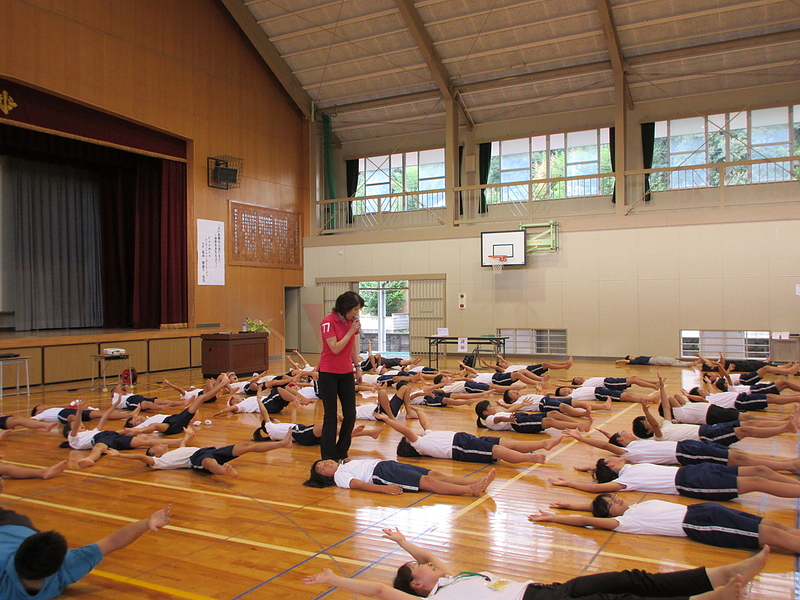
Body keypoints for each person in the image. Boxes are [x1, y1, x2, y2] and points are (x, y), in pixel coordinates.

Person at [302, 526, 768, 600]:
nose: (429, 565)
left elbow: (428, 556)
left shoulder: (453, 577)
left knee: (632, 578)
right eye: (419, 571)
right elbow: (383, 591)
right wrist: (337, 580)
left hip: (547, 590)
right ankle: (713, 597)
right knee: (621, 597)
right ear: (418, 587)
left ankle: (718, 575)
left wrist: (404, 541)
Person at [0, 491, 170, 600]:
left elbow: (113, 541)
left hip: (11, 526)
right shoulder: (67, 565)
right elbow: (112, 542)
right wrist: (146, 523)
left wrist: (147, 522)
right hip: (18, 526)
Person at [529, 495, 800, 552]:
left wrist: (565, 502)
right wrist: (555, 518)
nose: (617, 498)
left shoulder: (635, 507)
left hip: (704, 509)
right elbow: (588, 519)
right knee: (772, 537)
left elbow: (589, 506)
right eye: (612, 501)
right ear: (610, 514)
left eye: (613, 496)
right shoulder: (625, 522)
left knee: (774, 527)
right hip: (699, 523)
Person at [549, 455, 800, 501]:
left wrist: (587, 468)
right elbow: (597, 489)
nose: (612, 458)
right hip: (693, 483)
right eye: (608, 461)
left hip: (697, 471)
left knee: (760, 471)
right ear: (612, 467)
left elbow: (599, 471)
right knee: (758, 483)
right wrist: (570, 482)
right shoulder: (626, 481)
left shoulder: (632, 467)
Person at [564, 428, 800, 473]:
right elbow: (606, 446)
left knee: (739, 457)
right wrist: (581, 439)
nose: (628, 433)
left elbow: (607, 440)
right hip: (685, 453)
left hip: (689, 447)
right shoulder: (631, 453)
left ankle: (787, 464)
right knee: (737, 460)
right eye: (623, 434)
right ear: (622, 442)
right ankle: (788, 466)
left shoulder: (635, 445)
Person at [379, 405, 559, 464]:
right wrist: (388, 420)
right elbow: (406, 430)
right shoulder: (420, 445)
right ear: (410, 444)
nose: (414, 434)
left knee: (505, 442)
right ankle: (530, 459)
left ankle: (542, 444)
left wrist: (418, 410)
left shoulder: (427, 436)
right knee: (496, 450)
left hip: (465, 439)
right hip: (460, 448)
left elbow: (425, 423)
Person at [105, 425, 291, 477]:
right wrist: (119, 454)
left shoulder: (172, 453)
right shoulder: (159, 462)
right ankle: (223, 470)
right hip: (197, 459)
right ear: (155, 454)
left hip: (206, 450)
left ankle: (282, 444)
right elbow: (140, 457)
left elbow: (184, 444)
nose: (160, 444)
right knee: (209, 464)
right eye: (156, 446)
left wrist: (187, 435)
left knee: (245, 446)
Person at [317, 290, 364, 461]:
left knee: (350, 414)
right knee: (330, 415)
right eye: (354, 309)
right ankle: (329, 455)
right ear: (345, 307)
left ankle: (342, 451)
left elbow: (351, 346)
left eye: (358, 310)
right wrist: (351, 331)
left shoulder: (351, 323)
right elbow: (335, 347)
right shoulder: (328, 322)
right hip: (329, 372)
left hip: (346, 372)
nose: (356, 313)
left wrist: (357, 366)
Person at [64, 399, 181, 468]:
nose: (81, 426)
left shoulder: (90, 431)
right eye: (78, 426)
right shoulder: (74, 439)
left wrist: (117, 402)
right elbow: (75, 426)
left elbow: (104, 417)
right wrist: (79, 411)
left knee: (145, 441)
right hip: (100, 439)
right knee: (98, 448)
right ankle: (90, 459)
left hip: (110, 435)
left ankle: (178, 441)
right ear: (69, 432)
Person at [303, 458, 496, 496]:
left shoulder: (344, 464)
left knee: (434, 474)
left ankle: (475, 482)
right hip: (382, 474)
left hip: (387, 465)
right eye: (321, 469)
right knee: (428, 482)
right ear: (325, 478)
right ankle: (469, 490)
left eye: (323, 462)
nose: (325, 464)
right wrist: (383, 489)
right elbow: (360, 485)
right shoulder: (340, 477)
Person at [120, 374, 229, 435]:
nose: (139, 419)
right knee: (155, 426)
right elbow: (125, 430)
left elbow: (136, 415)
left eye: (137, 418)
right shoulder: (143, 425)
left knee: (200, 399)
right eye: (137, 421)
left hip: (175, 420)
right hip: (171, 424)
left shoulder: (148, 418)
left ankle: (223, 383)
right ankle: (223, 383)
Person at [253, 398, 380, 445]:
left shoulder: (277, 430)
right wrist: (259, 399)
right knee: (325, 427)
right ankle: (350, 432)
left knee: (330, 432)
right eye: (275, 420)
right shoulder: (269, 427)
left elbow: (293, 422)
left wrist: (294, 408)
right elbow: (264, 413)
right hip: (300, 433)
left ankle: (370, 433)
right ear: (272, 421)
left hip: (300, 432)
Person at [475, 400, 590, 433]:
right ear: (485, 412)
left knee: (554, 413)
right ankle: (578, 426)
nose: (493, 407)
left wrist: (522, 405)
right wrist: (508, 419)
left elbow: (509, 410)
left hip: (520, 417)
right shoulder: (489, 420)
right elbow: (498, 419)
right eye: (490, 406)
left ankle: (577, 424)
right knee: (549, 421)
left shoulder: (494, 414)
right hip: (518, 423)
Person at [616, 355, 701, 368]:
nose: (633, 356)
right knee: (672, 362)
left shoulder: (638, 358)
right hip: (654, 360)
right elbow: (625, 361)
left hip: (655, 359)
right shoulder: (634, 361)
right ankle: (690, 364)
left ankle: (690, 364)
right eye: (631, 356)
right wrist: (618, 361)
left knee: (674, 362)